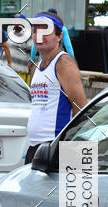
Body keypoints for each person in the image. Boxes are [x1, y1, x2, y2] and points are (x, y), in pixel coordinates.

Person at [25, 12, 87, 164]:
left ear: (59, 36)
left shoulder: (64, 62)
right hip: (35, 148)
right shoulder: (36, 66)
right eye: (35, 31)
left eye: (45, 31)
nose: (39, 35)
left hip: (56, 147)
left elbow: (81, 109)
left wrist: (74, 155)